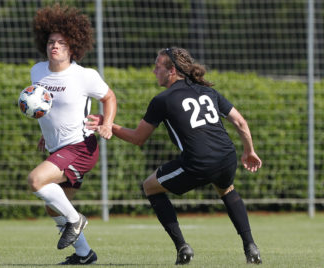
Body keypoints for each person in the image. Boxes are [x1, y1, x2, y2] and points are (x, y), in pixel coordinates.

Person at [87, 47, 262, 265]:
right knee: (226, 189)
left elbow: (138, 138)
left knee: (150, 186)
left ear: (171, 71)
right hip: (227, 156)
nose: (153, 72)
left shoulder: (163, 100)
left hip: (199, 161)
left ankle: (182, 247)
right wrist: (250, 151)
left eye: (157, 67)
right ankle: (251, 247)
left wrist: (107, 124)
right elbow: (240, 122)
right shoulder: (207, 91)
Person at [27, 4, 116, 265]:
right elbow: (44, 105)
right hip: (58, 149)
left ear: (72, 47)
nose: (54, 46)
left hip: (80, 148)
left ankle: (77, 220)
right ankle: (84, 254)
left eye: (61, 43)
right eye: (51, 42)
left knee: (36, 181)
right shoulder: (37, 71)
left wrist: (108, 123)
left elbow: (109, 97)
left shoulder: (84, 75)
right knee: (52, 205)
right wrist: (47, 132)